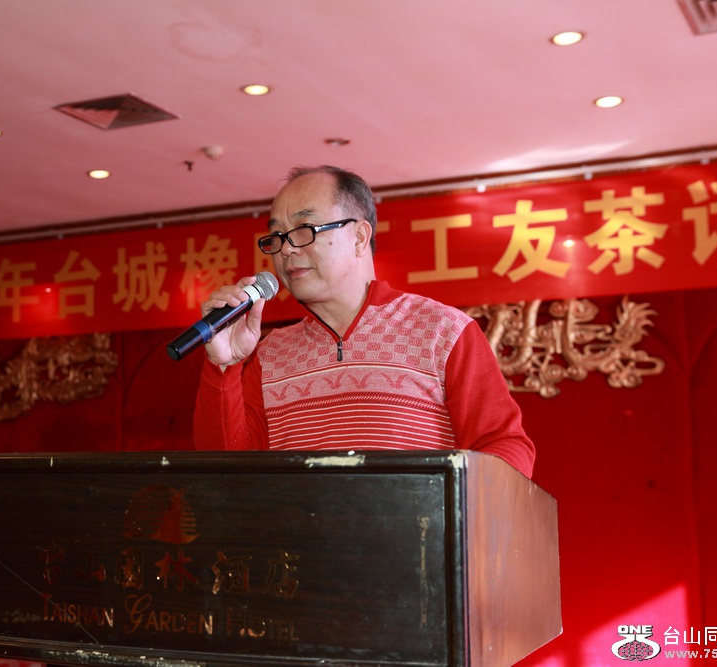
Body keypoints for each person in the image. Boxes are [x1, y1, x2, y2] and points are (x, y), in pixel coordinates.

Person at [192, 165, 535, 478]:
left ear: (358, 237)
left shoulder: (443, 330)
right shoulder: (267, 355)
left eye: (304, 229)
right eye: (278, 236)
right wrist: (224, 366)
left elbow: (504, 447)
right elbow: (226, 474)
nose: (286, 249)